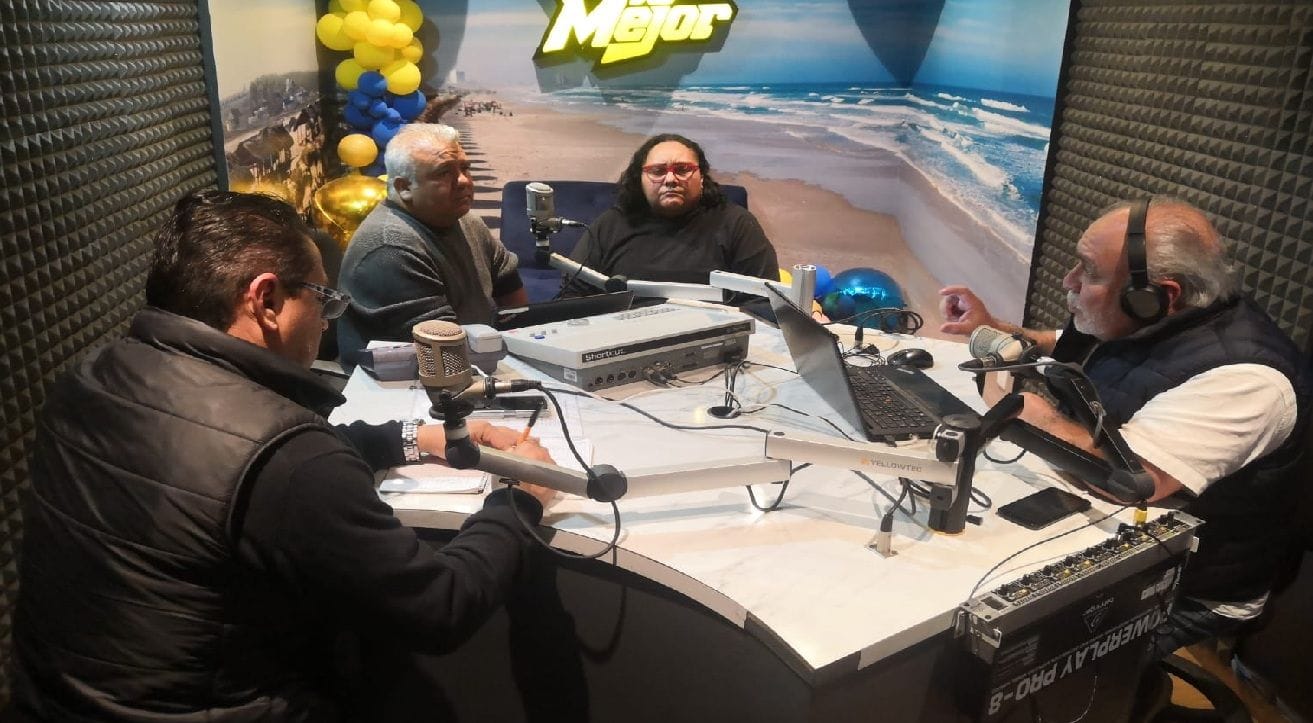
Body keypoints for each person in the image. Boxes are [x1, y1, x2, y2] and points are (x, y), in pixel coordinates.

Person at [12, 190, 557, 721]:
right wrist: (520, 500)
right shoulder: (290, 456)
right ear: (266, 300)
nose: (326, 321)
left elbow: (218, 473)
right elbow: (440, 608)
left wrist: (413, 437)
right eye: (323, 300)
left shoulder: (92, 376)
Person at [939, 197, 1309, 659]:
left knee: (1000, 657)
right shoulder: (1156, 319)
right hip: (1117, 537)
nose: (1069, 280)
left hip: (1185, 587)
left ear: (1156, 296)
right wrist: (994, 327)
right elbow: (1064, 343)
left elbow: (1129, 482)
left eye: (1090, 271)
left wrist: (1027, 413)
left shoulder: (1248, 381)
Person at [338, 123, 527, 360]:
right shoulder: (390, 248)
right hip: (409, 375)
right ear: (404, 187)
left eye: (465, 168)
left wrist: (524, 342)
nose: (464, 181)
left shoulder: (466, 220)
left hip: (468, 356)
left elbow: (509, 288)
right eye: (444, 172)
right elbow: (443, 348)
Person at [564, 133, 780, 297]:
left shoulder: (736, 223)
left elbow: (763, 300)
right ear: (640, 180)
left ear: (701, 178)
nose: (670, 179)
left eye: (682, 169)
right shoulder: (610, 225)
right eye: (657, 171)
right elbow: (572, 295)